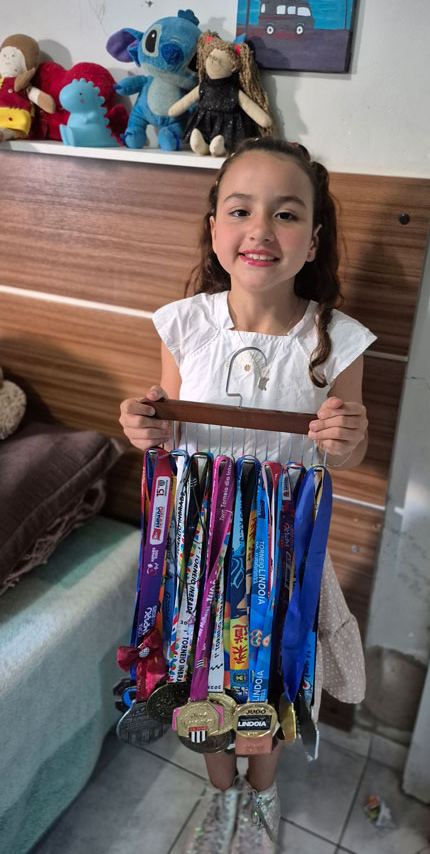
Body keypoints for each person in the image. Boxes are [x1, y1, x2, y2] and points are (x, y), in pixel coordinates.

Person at [119, 137, 376, 853]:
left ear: (312, 240)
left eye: (286, 214)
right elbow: (168, 431)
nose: (260, 229)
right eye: (240, 210)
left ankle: (262, 796)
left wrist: (346, 438)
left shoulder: (337, 340)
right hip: (196, 559)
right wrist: (143, 427)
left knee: (272, 684)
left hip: (283, 557)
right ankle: (220, 791)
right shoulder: (183, 324)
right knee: (198, 680)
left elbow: (348, 453)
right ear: (214, 230)